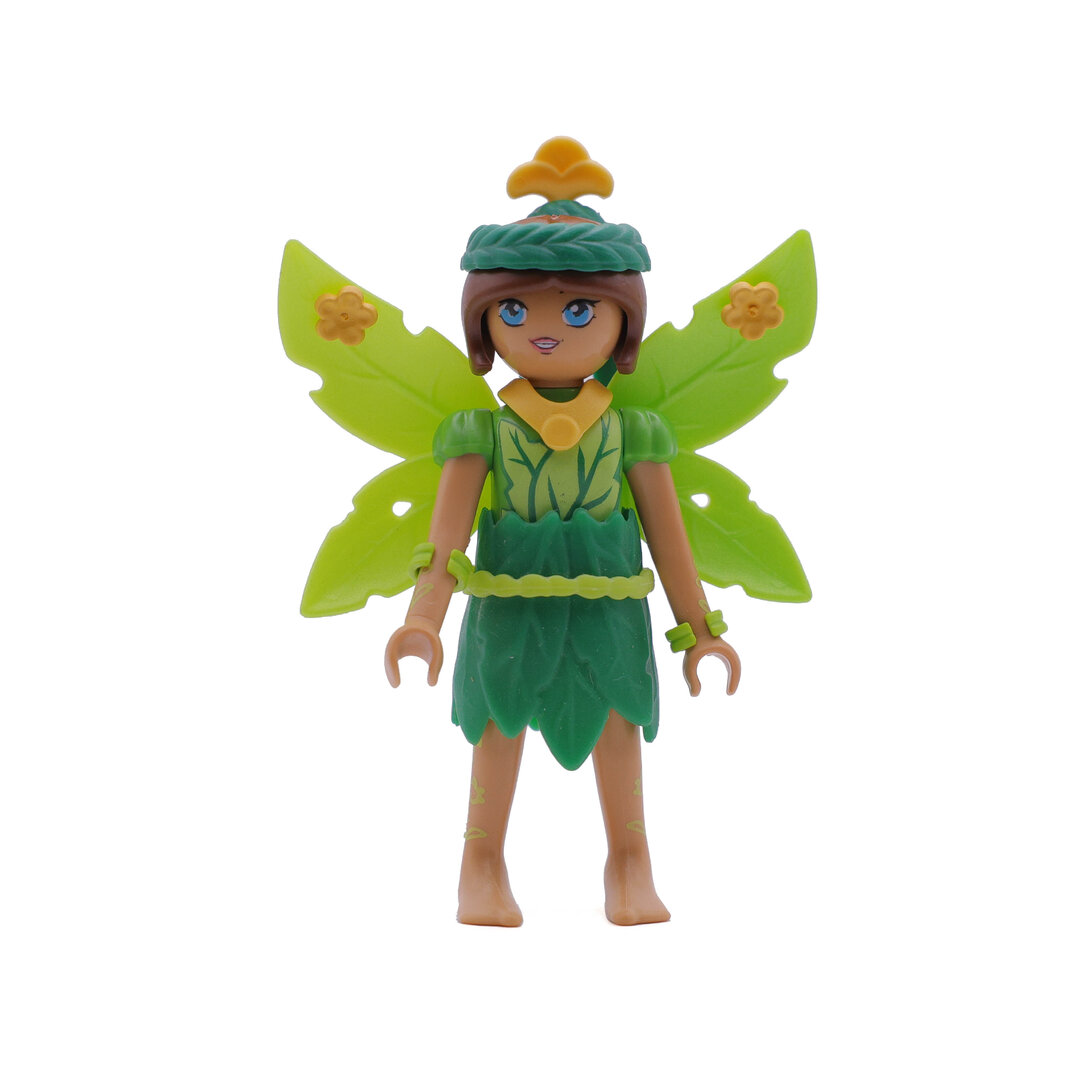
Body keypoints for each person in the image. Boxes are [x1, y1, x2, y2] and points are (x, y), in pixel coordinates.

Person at [384, 139, 740, 927]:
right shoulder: (479, 432)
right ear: (485, 322)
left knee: (618, 729)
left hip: (610, 612)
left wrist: (700, 630)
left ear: (622, 324)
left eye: (580, 310)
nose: (545, 330)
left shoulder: (635, 432)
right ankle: (480, 863)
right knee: (497, 729)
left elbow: (669, 540)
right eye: (514, 310)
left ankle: (630, 860)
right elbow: (444, 541)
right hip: (507, 610)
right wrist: (422, 619)